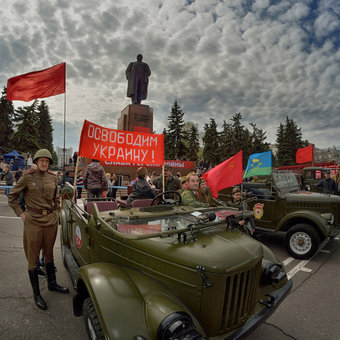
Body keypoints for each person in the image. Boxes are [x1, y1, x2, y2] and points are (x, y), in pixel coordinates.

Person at [8, 149, 69, 311]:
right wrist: (21, 214)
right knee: (33, 258)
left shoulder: (52, 177)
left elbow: (56, 198)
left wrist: (56, 212)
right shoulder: (27, 177)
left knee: (49, 253)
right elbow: (12, 197)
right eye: (41, 160)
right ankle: (36, 294)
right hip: (33, 222)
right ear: (36, 162)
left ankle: (52, 284)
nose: (44, 163)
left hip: (50, 221)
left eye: (47, 161)